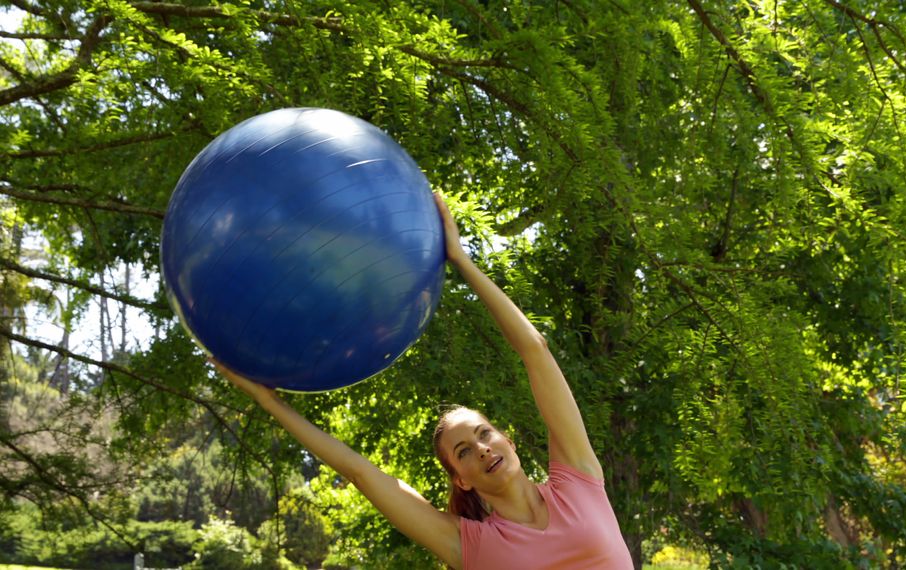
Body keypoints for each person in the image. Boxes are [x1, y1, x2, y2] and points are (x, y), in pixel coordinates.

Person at [215, 193, 634, 569]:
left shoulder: (578, 480)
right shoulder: (470, 546)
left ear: (509, 440)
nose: (483, 449)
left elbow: (535, 349)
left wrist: (461, 260)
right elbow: (361, 473)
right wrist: (271, 403)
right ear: (461, 479)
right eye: (464, 451)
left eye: (485, 433)